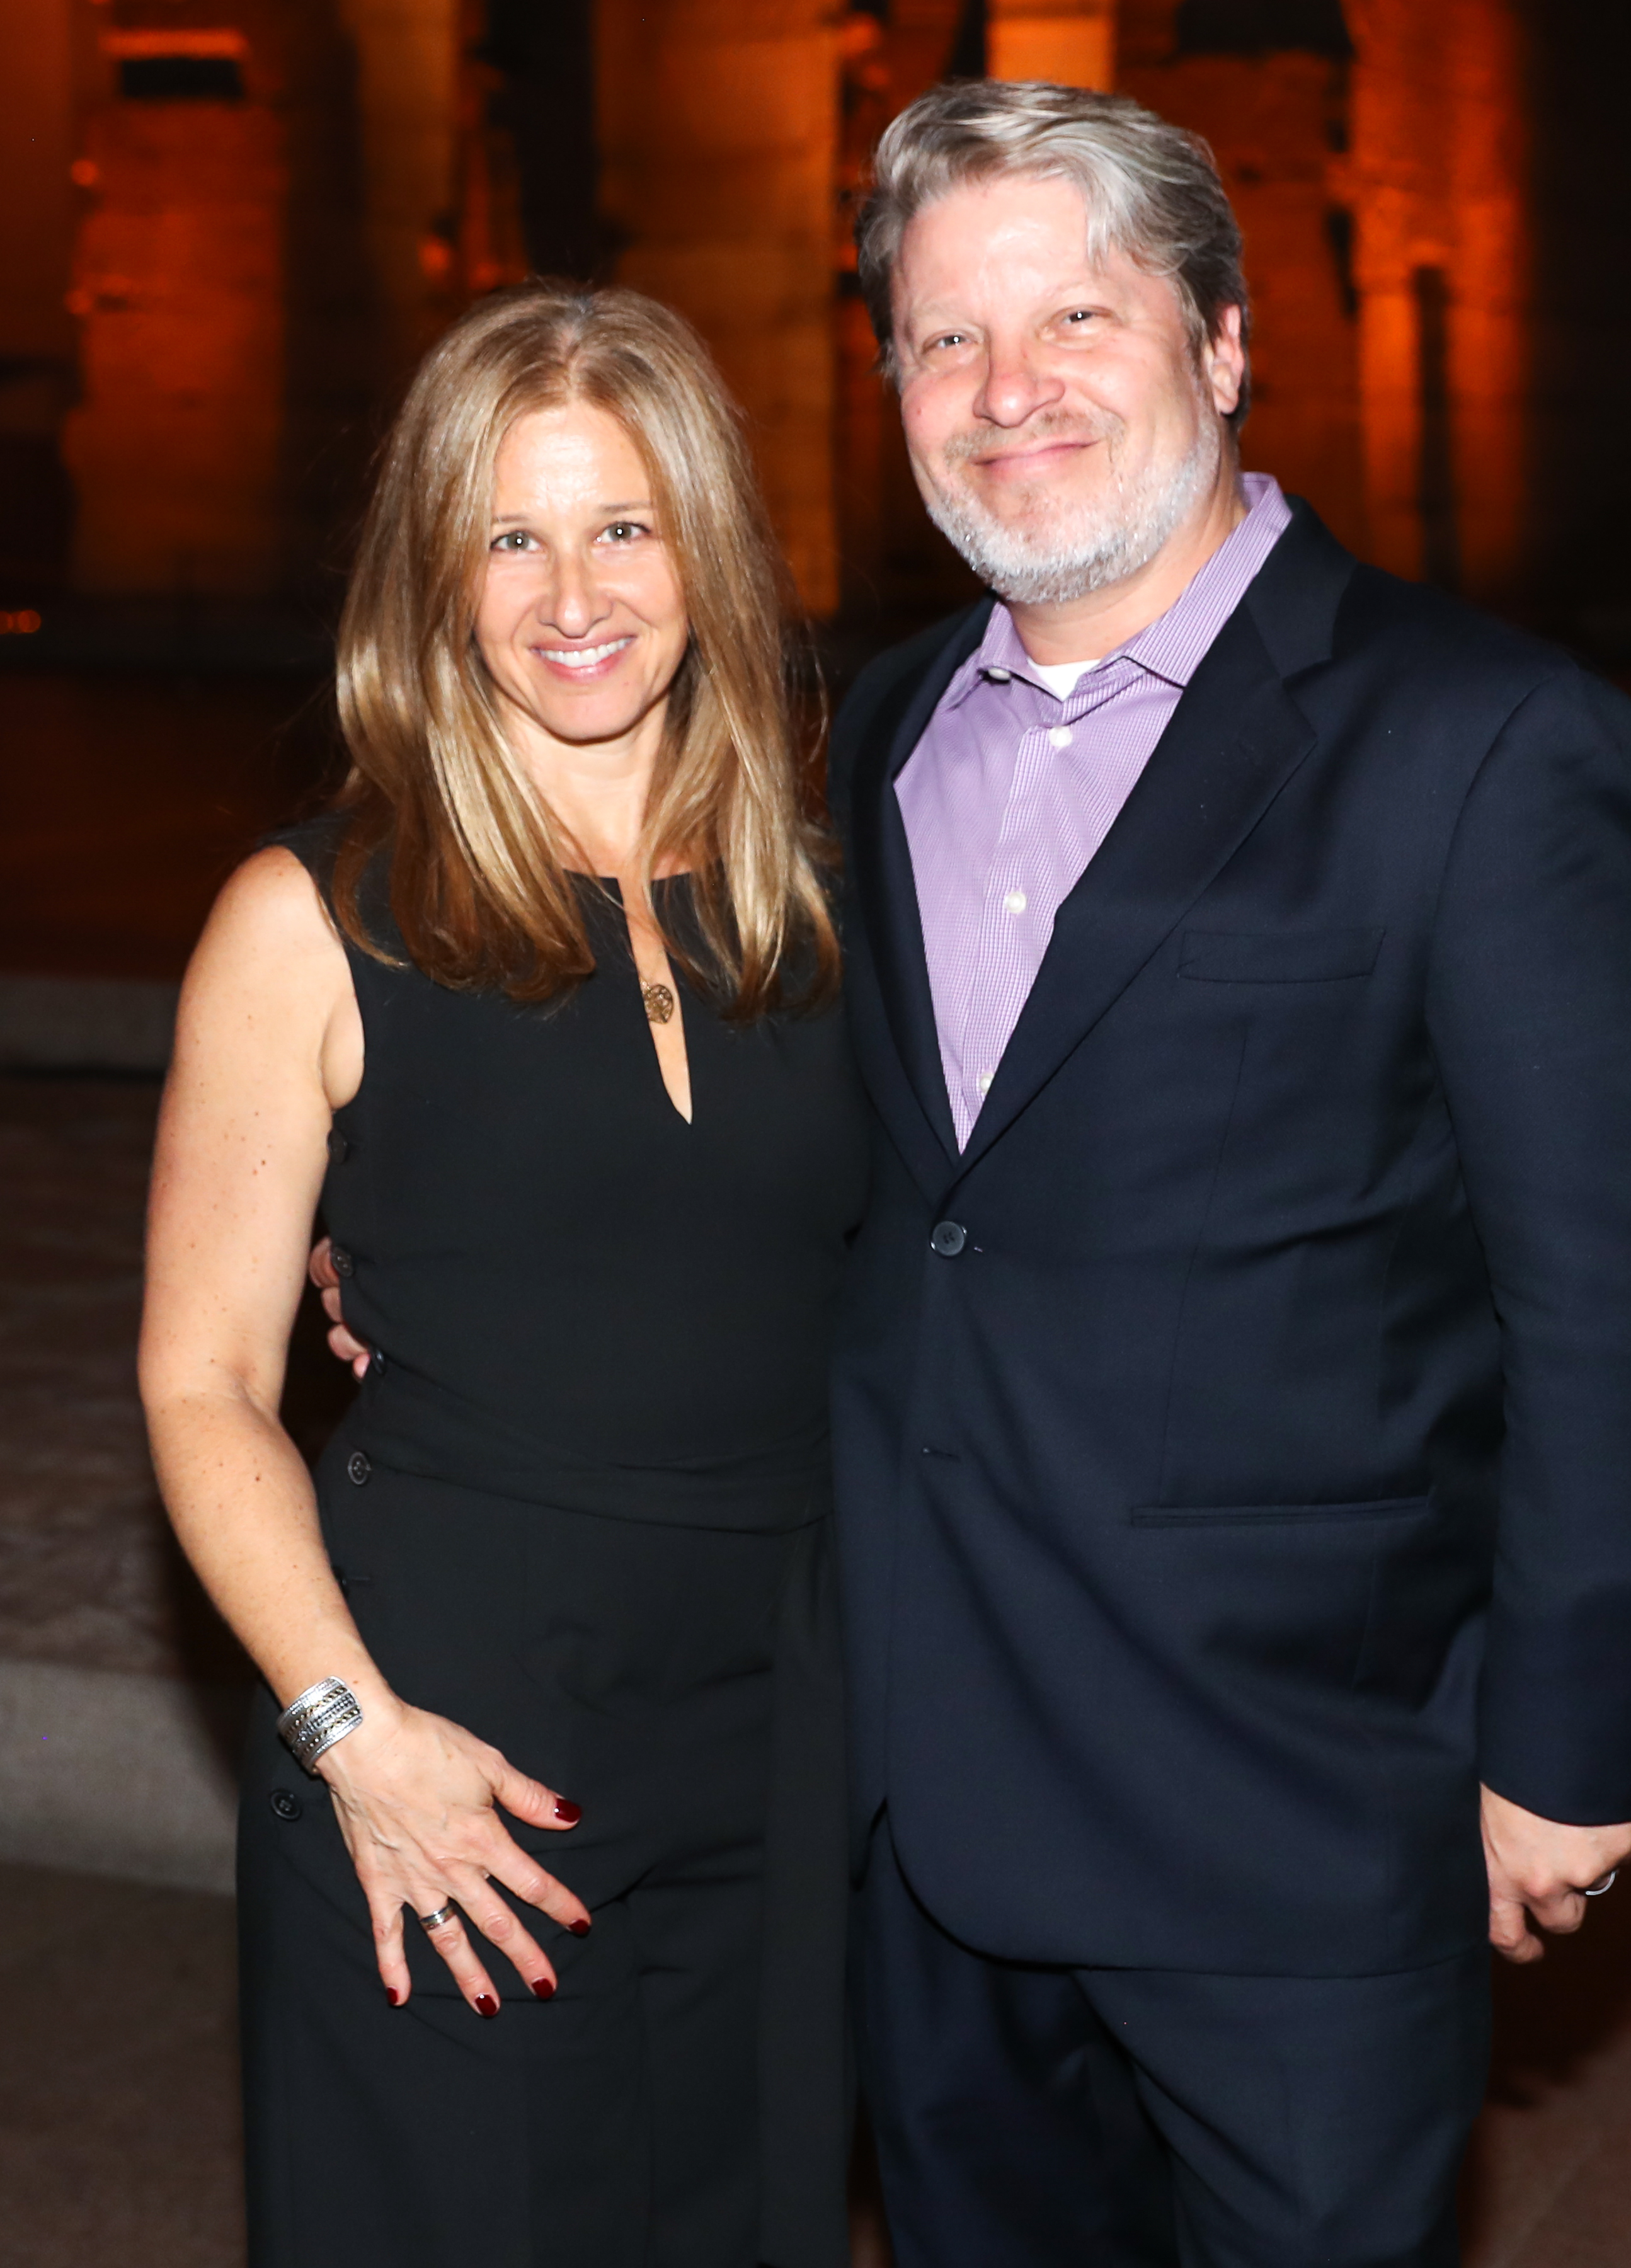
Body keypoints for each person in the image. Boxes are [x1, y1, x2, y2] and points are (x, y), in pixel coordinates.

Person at [823, 81, 1631, 2267]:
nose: (1009, 388)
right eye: (946, 338)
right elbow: (876, 1185)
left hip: (1288, 1795)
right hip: (924, 1788)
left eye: (1078, 315)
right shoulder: (877, 732)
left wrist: (1572, 1743)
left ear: (1226, 339)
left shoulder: (1476, 737)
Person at [139, 284, 865, 2268]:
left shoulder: (830, 904)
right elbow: (204, 1381)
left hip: (786, 1733)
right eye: (511, 538)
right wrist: (350, 1735)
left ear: (708, 552)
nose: (575, 595)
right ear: (437, 582)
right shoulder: (311, 919)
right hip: (453, 1742)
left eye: (625, 527)